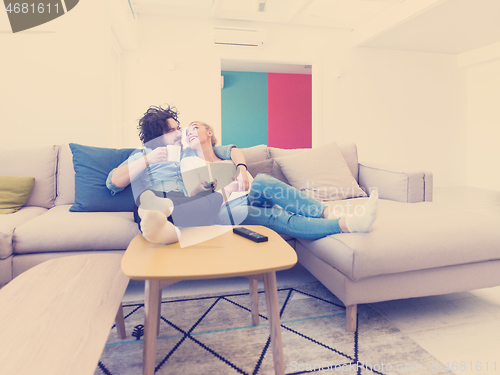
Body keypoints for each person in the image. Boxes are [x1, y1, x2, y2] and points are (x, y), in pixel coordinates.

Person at [182, 121, 379, 240]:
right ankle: (348, 224)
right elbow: (197, 200)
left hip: (251, 196)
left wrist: (242, 171)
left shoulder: (227, 156)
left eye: (194, 128)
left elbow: (235, 151)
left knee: (262, 180)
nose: (189, 132)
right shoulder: (189, 162)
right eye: (186, 133)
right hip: (227, 209)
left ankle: (329, 212)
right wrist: (231, 187)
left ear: (209, 132)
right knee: (280, 217)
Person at [106, 105, 249, 243]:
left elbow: (233, 151)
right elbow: (114, 182)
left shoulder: (190, 151)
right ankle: (162, 221)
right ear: (158, 136)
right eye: (171, 131)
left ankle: (168, 229)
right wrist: (148, 160)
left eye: (178, 129)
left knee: (212, 200)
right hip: (157, 196)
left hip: (184, 200)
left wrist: (241, 169)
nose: (179, 133)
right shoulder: (144, 154)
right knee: (146, 200)